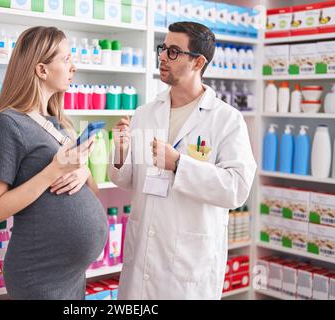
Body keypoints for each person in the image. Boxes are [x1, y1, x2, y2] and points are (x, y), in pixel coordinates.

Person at [109, 22, 257, 299]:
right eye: (163, 48)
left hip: (188, 266)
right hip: (142, 256)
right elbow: (128, 180)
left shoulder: (226, 120)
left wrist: (179, 164)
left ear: (198, 62)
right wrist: (120, 152)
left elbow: (237, 188)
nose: (163, 57)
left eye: (174, 51)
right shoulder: (144, 113)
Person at [0, 26, 108, 300]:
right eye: (65, 59)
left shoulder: (61, 124)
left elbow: (93, 193)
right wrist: (54, 171)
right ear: (41, 70)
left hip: (72, 276)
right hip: (39, 274)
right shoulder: (8, 124)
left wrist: (83, 170)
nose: (73, 67)